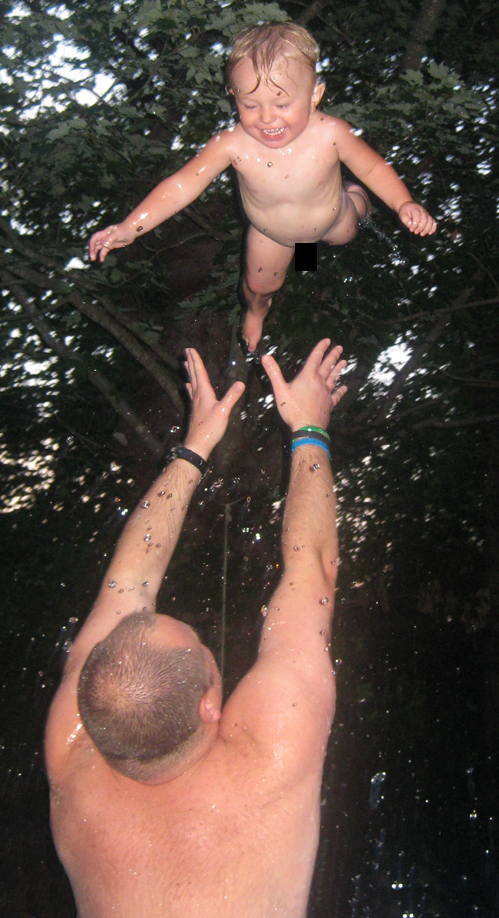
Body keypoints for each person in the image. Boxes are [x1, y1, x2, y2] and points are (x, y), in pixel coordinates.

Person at [44, 337, 347, 918]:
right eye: (200, 645)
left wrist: (194, 446)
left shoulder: (74, 756)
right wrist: (310, 428)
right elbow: (313, 567)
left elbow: (127, 584)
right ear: (211, 706)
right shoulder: (269, 761)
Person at [88, 22, 437, 353]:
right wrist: (129, 227)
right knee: (257, 287)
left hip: (332, 219)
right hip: (272, 234)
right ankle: (256, 313)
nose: (267, 118)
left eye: (282, 104)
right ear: (234, 97)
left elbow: (373, 167)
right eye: (251, 105)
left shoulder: (332, 134)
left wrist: (403, 203)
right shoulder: (230, 144)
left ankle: (355, 198)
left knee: (349, 225)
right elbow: (182, 185)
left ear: (314, 96)